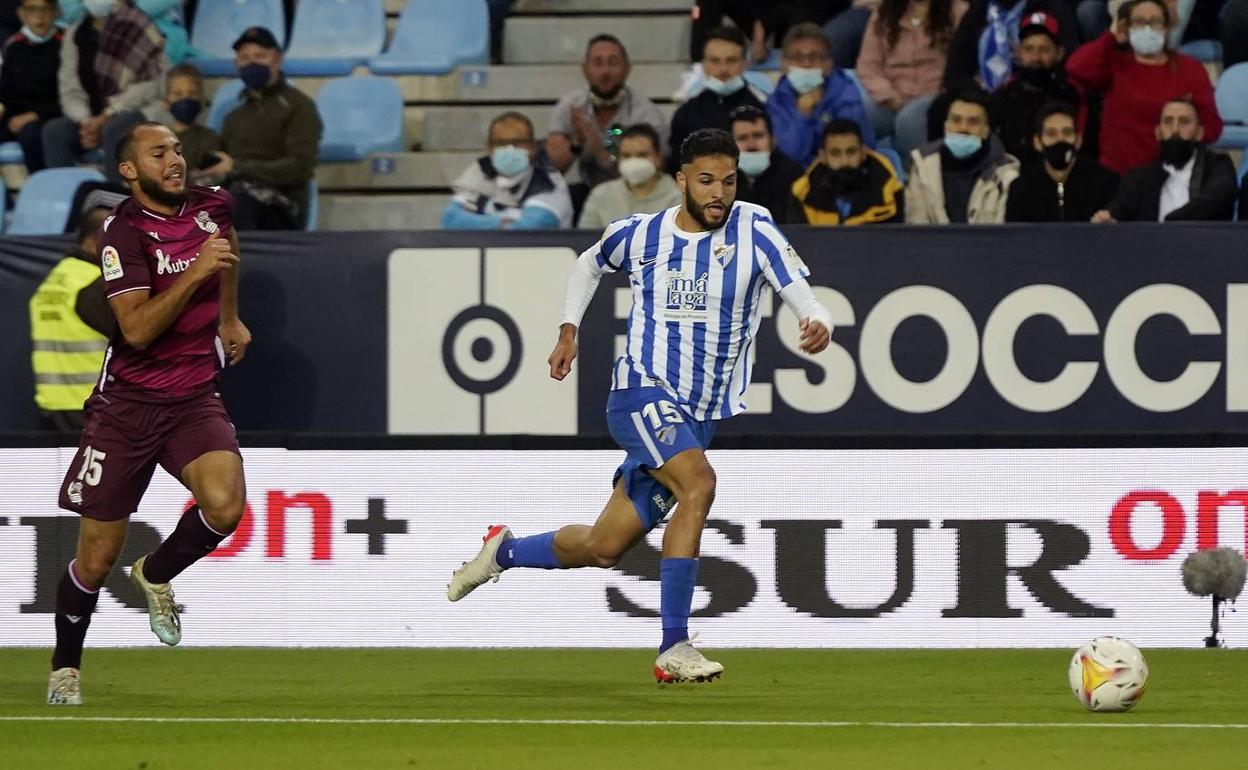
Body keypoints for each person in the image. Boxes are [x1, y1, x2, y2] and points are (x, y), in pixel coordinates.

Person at [446, 128, 834, 684]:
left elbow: (803, 292)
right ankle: (674, 646)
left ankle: (502, 552)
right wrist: (568, 331)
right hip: (640, 394)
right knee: (699, 485)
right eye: (705, 181)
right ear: (681, 182)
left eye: (727, 180)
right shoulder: (643, 235)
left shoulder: (756, 229)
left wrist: (815, 319)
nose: (718, 192)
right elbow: (588, 264)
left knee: (605, 546)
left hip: (697, 415)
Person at [46, 120, 252, 706]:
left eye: (178, 150)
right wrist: (195, 274)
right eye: (159, 153)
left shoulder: (214, 205)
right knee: (95, 556)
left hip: (192, 395)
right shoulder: (123, 234)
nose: (176, 160)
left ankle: (156, 574)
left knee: (225, 502)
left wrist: (229, 318)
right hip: (127, 408)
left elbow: (227, 257)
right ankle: (66, 667)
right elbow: (135, 330)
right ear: (129, 171)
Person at [1065, 0, 1220, 175]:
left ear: (1166, 27)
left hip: (1171, 176)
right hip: (1117, 177)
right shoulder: (1115, 64)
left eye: (1154, 22)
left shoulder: (1190, 69)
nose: (1147, 28)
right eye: (1139, 22)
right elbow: (1075, 68)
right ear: (1127, 27)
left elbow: (1211, 127)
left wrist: (1183, 137)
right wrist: (1111, 36)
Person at [197, 27, 321, 230]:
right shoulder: (233, 116)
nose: (252, 62)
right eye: (244, 58)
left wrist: (237, 168)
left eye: (260, 56)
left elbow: (301, 166)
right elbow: (220, 165)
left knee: (237, 204)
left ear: (277, 60)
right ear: (237, 65)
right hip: (238, 198)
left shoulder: (299, 106)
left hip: (281, 205)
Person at [41, 0, 171, 185]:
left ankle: (117, 200)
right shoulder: (76, 34)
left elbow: (152, 86)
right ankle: (64, 198)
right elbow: (69, 88)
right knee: (54, 131)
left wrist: (108, 114)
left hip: (135, 110)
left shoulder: (141, 27)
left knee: (114, 128)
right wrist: (86, 122)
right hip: (90, 117)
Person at [29, 205, 115, 433]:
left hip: (56, 408)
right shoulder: (94, 285)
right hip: (95, 410)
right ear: (99, 238)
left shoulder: (58, 277)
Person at [549, 35, 667, 192]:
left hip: (633, 192)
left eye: (613, 63)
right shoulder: (571, 107)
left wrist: (600, 152)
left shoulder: (646, 114)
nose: (605, 71)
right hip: (586, 189)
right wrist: (575, 142)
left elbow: (653, 175)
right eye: (598, 63)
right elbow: (550, 173)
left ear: (627, 69)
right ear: (585, 70)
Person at [1091, 98, 1236, 222]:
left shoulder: (1217, 166)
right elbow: (1117, 211)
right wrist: (1107, 219)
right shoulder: (1139, 177)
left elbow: (1216, 198)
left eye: (1184, 122)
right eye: (1168, 122)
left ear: (1199, 133)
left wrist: (1169, 224)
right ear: (1158, 132)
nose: (1175, 130)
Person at [856, 0, 966, 159]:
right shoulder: (883, 14)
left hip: (934, 95)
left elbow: (962, 66)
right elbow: (868, 66)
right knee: (858, 112)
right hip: (890, 96)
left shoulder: (958, 12)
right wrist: (889, 96)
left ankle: (915, 175)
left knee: (909, 120)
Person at [443, 111, 574, 230]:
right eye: (501, 143)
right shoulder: (479, 175)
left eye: (518, 143)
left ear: (533, 147)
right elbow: (451, 220)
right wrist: (502, 223)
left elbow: (530, 227)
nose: (509, 149)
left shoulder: (547, 181)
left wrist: (478, 221)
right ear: (489, 148)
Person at [766, 23, 874, 166]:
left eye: (814, 57)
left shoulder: (847, 97)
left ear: (828, 64)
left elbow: (849, 156)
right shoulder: (776, 102)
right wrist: (803, 115)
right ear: (783, 64)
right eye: (797, 57)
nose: (805, 64)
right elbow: (785, 159)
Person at [905, 87, 1019, 223]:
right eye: (956, 120)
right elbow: (916, 227)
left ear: (986, 131)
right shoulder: (922, 165)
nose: (963, 128)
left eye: (973, 122)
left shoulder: (1006, 175)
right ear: (946, 125)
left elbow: (1003, 236)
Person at [988, 12, 1084, 162]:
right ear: (1018, 53)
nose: (1036, 57)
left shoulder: (1073, 94)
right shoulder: (1003, 95)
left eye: (1044, 50)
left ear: (1059, 53)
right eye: (1029, 49)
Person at [669, 26, 767, 166]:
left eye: (731, 60)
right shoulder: (686, 113)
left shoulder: (762, 108)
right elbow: (677, 165)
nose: (723, 69)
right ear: (703, 65)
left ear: (745, 64)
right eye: (715, 61)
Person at [1005, 101, 1117, 221]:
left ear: (1078, 140)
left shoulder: (1104, 183)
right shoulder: (1021, 188)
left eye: (1067, 133)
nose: (1060, 140)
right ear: (1037, 142)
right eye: (1051, 134)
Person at [942, 0, 1080, 92]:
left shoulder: (1051, 6)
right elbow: (955, 71)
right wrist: (978, 95)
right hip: (981, 95)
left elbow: (1071, 64)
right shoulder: (980, 7)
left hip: (1036, 93)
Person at [789, 118, 904, 224]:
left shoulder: (890, 190)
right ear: (823, 157)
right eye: (835, 153)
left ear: (863, 153)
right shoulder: (802, 193)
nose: (844, 161)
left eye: (851, 152)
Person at [0, 0, 62, 173]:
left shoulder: (65, 45)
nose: (39, 16)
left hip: (49, 117)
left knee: (31, 133)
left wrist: (34, 115)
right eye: (32, 10)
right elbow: (6, 92)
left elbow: (69, 98)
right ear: (21, 14)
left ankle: (42, 190)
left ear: (55, 13)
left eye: (45, 10)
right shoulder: (14, 46)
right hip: (15, 118)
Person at [578, 124, 680, 229]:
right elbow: (585, 239)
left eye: (642, 155)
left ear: (658, 158)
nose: (634, 162)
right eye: (626, 156)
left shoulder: (678, 197)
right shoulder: (600, 195)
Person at [729, 104, 805, 222]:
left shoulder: (793, 175)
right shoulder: (721, 178)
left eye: (758, 136)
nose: (751, 145)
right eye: (742, 138)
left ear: (772, 140)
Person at [163, 63, 219, 171]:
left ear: (202, 100)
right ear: (166, 102)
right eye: (178, 94)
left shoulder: (209, 139)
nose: (185, 99)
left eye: (192, 93)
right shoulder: (155, 139)